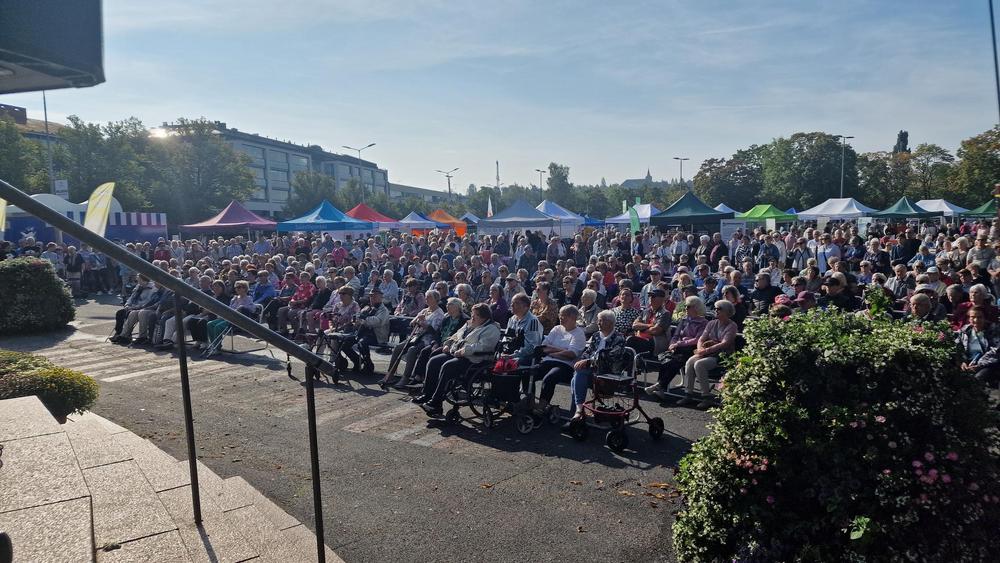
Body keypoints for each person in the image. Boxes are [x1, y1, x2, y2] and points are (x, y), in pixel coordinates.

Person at [417, 304, 502, 416]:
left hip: (474, 360)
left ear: (484, 317)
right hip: (457, 353)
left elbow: (484, 346)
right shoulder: (469, 324)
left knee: (448, 366)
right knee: (434, 361)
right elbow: (455, 336)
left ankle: (436, 402)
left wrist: (464, 351)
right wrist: (448, 344)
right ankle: (427, 394)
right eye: (472, 314)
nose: (472, 317)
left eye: (475, 315)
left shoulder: (491, 329)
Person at [565, 310, 628, 425]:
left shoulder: (619, 338)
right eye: (598, 320)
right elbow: (588, 351)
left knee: (579, 374)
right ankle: (578, 412)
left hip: (608, 373)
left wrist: (588, 361)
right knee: (578, 374)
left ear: (610, 323)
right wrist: (581, 360)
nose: (598, 323)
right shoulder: (596, 335)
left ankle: (577, 412)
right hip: (592, 371)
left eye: (601, 321)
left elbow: (611, 356)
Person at [677, 299, 738, 410]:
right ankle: (688, 394)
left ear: (727, 311)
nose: (716, 310)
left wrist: (705, 351)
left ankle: (706, 397)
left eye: (719, 309)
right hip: (708, 352)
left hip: (722, 355)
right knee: (690, 361)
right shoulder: (711, 323)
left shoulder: (732, 326)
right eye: (715, 308)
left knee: (699, 364)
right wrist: (700, 348)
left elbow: (725, 344)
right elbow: (701, 339)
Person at [645, 296, 709, 400]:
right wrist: (672, 344)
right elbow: (676, 335)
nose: (685, 308)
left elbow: (697, 339)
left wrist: (678, 344)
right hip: (679, 347)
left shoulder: (704, 322)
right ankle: (660, 388)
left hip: (692, 349)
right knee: (665, 360)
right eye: (685, 306)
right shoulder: (684, 320)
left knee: (674, 362)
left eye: (688, 306)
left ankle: (660, 386)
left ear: (696, 308)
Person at [381, 290, 445, 388]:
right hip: (416, 337)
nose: (426, 299)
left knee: (412, 350)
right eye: (426, 297)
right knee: (398, 347)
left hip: (427, 340)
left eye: (429, 297)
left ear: (436, 299)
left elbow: (434, 331)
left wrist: (424, 323)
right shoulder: (425, 310)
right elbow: (412, 323)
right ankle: (390, 374)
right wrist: (415, 321)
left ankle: (405, 378)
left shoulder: (439, 313)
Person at [532, 305, 587, 414]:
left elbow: (571, 354)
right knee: (528, 372)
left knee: (549, 378)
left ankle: (541, 408)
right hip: (548, 361)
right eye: (560, 315)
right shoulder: (557, 329)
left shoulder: (579, 334)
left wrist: (552, 351)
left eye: (564, 315)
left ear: (573, 317)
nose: (560, 318)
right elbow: (544, 347)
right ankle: (530, 403)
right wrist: (561, 351)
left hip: (565, 366)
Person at [333, 286, 390, 376]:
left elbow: (378, 321)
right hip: (362, 333)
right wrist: (356, 320)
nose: (372, 298)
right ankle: (357, 361)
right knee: (344, 344)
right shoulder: (367, 307)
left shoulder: (384, 310)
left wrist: (363, 320)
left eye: (375, 296)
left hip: (377, 335)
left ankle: (368, 364)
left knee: (362, 343)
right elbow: (357, 316)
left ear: (381, 297)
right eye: (371, 296)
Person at [957, 306, 1000, 387]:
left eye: (979, 317)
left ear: (985, 318)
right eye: (973, 317)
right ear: (969, 318)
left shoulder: (994, 330)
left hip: (988, 364)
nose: (976, 320)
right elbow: (959, 346)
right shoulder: (965, 330)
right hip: (969, 363)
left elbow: (996, 350)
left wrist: (979, 365)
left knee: (976, 379)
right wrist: (962, 361)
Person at [627, 288, 671, 357]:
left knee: (630, 340)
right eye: (650, 296)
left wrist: (641, 329)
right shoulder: (645, 311)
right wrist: (649, 325)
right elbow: (634, 325)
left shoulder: (665, 314)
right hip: (641, 339)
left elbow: (655, 331)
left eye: (653, 296)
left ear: (661, 299)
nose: (650, 298)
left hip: (655, 343)